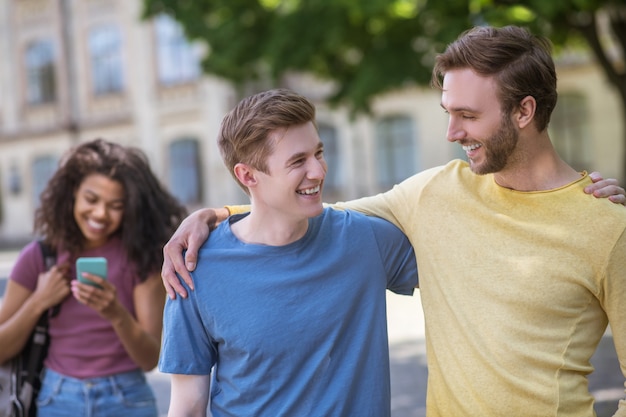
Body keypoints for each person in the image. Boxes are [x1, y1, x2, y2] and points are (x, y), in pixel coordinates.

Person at [161, 26, 626, 416]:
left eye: (467, 115)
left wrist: (594, 212)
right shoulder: (432, 195)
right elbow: (304, 214)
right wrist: (214, 215)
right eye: (448, 113)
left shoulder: (607, 226)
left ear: (524, 110)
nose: (451, 133)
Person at [158, 88, 418, 416]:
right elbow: (187, 406)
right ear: (248, 175)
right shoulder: (194, 265)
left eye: (319, 153)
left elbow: (462, 270)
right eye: (298, 162)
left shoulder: (367, 240)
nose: (319, 171)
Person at [0, 139, 187, 417]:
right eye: (91, 199)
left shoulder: (142, 258)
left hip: (126, 398)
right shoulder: (40, 256)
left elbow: (149, 359)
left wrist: (116, 314)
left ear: (132, 207)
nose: (100, 213)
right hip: (56, 398)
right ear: (73, 192)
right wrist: (39, 301)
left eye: (115, 205)